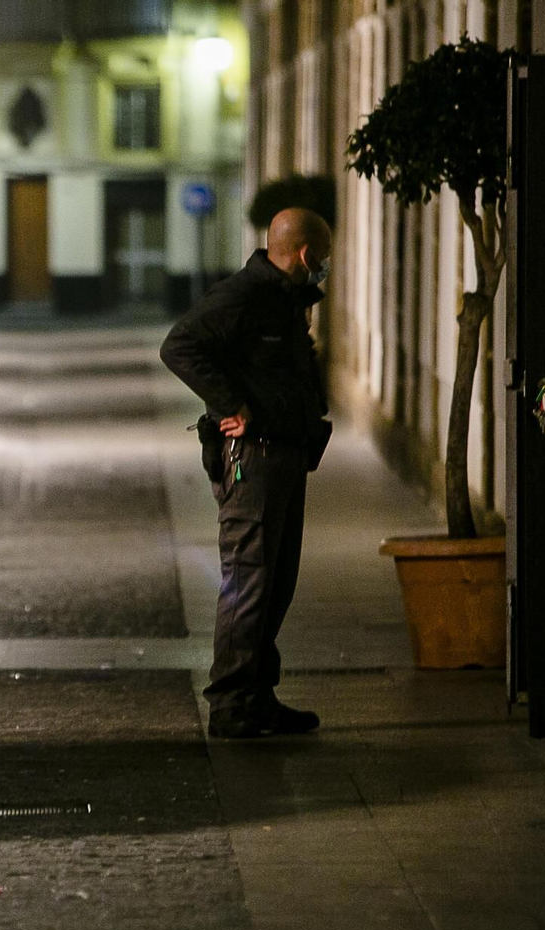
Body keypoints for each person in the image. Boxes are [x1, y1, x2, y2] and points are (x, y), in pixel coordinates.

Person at [160, 207, 334, 739]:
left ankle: (258, 695)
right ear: (305, 255)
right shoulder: (244, 295)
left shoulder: (282, 299)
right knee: (249, 580)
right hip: (251, 462)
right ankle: (232, 704)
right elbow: (179, 345)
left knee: (275, 581)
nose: (324, 269)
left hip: (282, 455)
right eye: (322, 260)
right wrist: (230, 402)